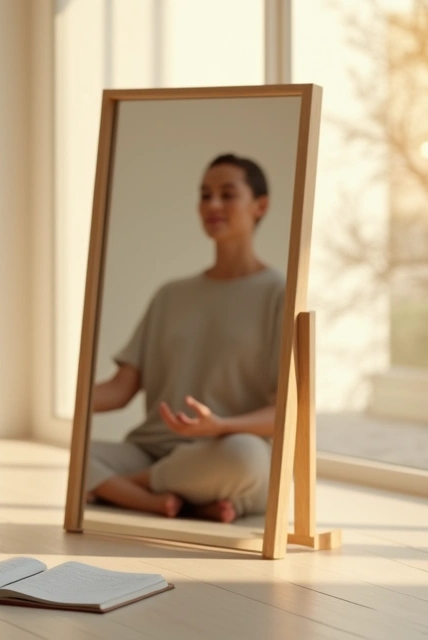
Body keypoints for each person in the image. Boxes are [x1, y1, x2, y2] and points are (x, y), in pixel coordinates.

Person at [86, 153, 285, 524]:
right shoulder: (171, 295)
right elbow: (120, 389)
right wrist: (49, 399)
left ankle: (125, 490)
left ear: (260, 206)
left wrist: (220, 426)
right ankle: (185, 502)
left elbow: (286, 412)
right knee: (68, 451)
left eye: (227, 194)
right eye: (205, 195)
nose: (213, 204)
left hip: (224, 449)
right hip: (151, 450)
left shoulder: (280, 293)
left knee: (244, 459)